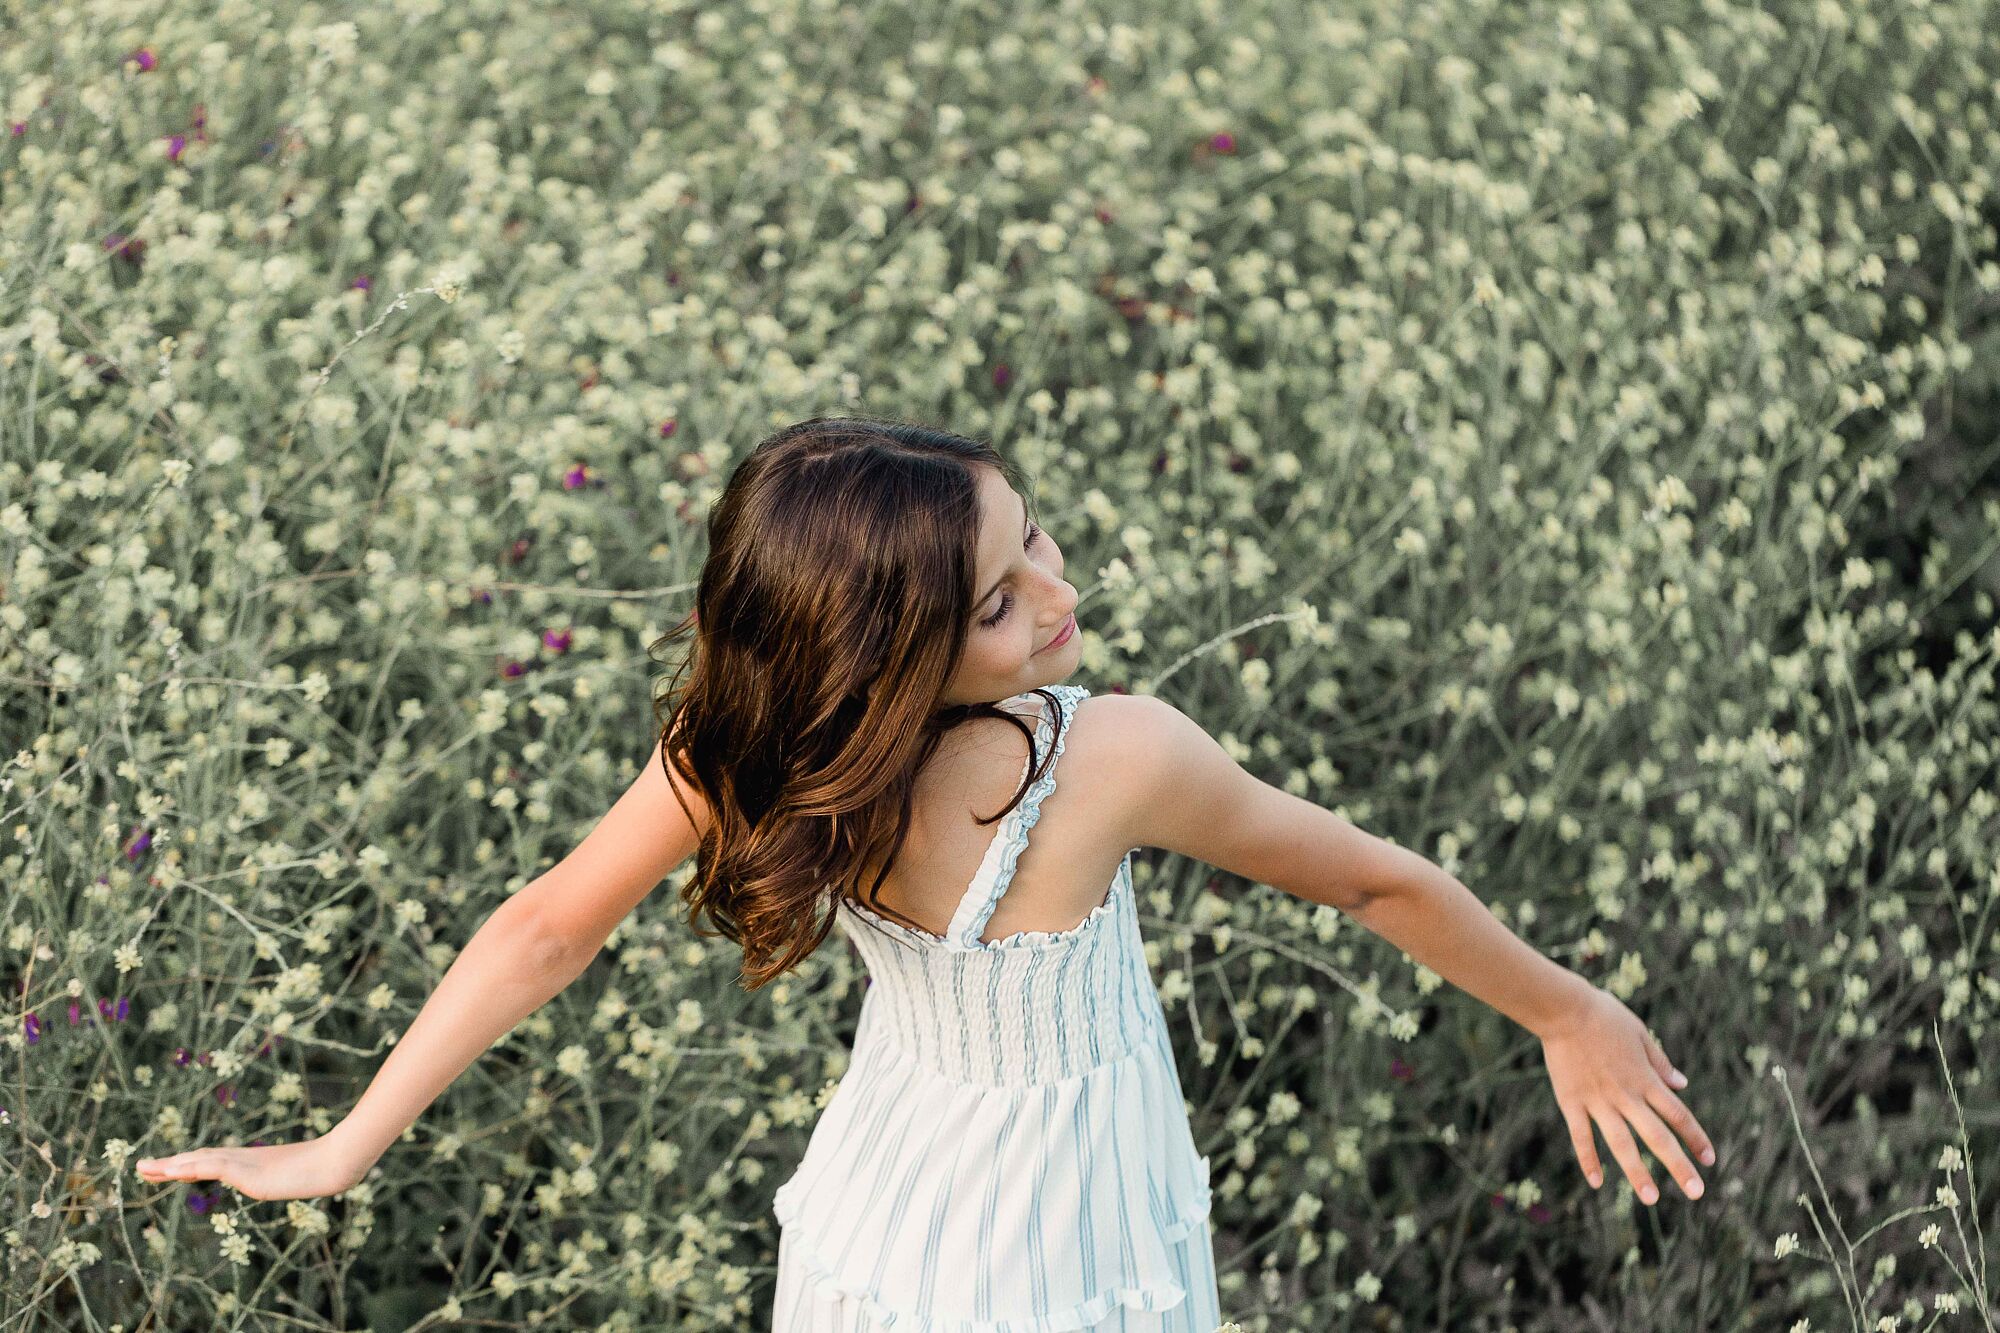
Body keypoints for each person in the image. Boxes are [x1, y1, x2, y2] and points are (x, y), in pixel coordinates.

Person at [136, 415, 1717, 1329]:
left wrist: (350, 1142)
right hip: (1058, 1241)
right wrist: (1567, 1010)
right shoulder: (1112, 756)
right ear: (882, 654)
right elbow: (1372, 885)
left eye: (1034, 541)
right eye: (997, 599)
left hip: (882, 1223)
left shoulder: (754, 741)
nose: (1059, 592)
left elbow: (548, 925)